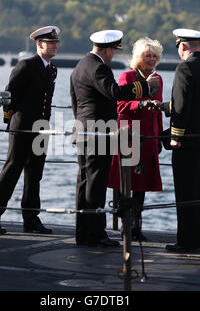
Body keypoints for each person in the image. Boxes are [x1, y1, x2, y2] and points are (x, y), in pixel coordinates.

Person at [70, 30, 160, 247]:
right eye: (113, 50)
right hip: (99, 132)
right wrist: (147, 87)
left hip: (85, 130)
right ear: (108, 49)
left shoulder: (81, 65)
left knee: (84, 182)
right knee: (96, 184)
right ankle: (96, 233)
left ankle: (83, 231)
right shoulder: (99, 67)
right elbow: (115, 93)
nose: (113, 55)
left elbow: (75, 102)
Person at [0, 26, 60, 234]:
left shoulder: (52, 69)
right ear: (39, 44)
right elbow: (9, 96)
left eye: (55, 43)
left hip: (41, 127)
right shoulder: (26, 65)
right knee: (12, 169)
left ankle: (31, 219)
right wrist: (11, 123)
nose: (54, 46)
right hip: (22, 126)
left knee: (35, 174)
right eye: (50, 42)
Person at [162, 29, 200, 252]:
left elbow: (182, 106)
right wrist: (166, 107)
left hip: (189, 143)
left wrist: (176, 136)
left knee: (186, 192)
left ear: (182, 46)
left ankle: (186, 241)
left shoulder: (185, 68)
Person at [107, 37, 164, 242]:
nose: (151, 59)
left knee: (142, 186)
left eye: (154, 56)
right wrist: (140, 105)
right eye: (147, 56)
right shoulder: (127, 76)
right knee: (125, 184)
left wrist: (159, 137)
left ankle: (137, 226)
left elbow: (158, 111)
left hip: (149, 137)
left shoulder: (158, 78)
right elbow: (119, 106)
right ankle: (125, 227)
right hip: (129, 136)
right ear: (138, 58)